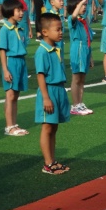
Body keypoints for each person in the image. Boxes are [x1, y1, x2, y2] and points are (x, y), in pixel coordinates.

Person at [35, 13, 71, 174]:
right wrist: (46, 98)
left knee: (54, 127)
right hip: (49, 91)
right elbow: (40, 75)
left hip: (58, 89)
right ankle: (48, 164)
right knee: (47, 127)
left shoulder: (56, 48)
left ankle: (53, 160)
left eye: (61, 29)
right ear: (45, 32)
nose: (61, 32)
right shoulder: (42, 51)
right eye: (57, 29)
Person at [0, 0, 29, 136]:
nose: (21, 13)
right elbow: (2, 51)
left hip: (21, 62)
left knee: (15, 95)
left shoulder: (19, 28)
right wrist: (5, 70)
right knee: (10, 95)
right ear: (10, 11)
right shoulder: (5, 29)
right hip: (11, 62)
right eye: (18, 10)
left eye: (22, 10)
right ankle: (9, 127)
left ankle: (14, 124)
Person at [67, 0, 94, 115]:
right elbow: (73, 16)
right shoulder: (72, 20)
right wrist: (81, 2)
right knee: (76, 78)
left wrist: (90, 56)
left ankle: (80, 103)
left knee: (82, 79)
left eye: (85, 5)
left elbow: (88, 38)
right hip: (78, 49)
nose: (84, 7)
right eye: (81, 5)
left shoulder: (84, 21)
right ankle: (75, 105)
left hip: (86, 49)